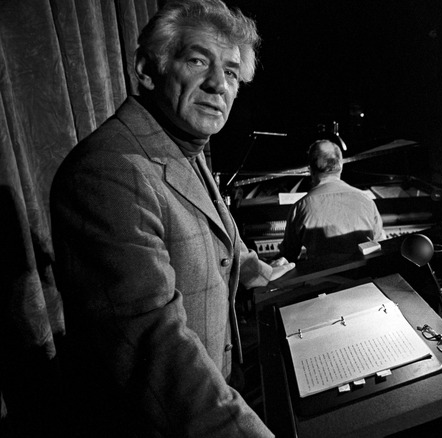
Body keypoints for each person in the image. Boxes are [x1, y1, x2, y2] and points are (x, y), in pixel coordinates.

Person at [49, 1, 293, 436]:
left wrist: (254, 267)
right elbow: (157, 351)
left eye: (232, 73)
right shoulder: (108, 171)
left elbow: (218, 230)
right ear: (147, 69)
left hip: (221, 383)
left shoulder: (180, 142)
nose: (219, 84)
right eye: (199, 60)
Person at [278, 139, 385, 262]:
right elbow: (381, 244)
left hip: (320, 279)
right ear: (341, 166)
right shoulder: (366, 200)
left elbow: (288, 256)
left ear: (310, 169)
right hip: (363, 278)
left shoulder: (301, 206)